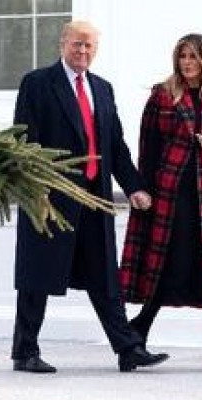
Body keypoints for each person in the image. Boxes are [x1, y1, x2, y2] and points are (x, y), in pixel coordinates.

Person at [11, 20, 169, 373]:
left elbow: (114, 146)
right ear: (62, 44)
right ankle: (25, 352)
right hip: (50, 198)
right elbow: (23, 141)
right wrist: (36, 190)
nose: (83, 51)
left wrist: (135, 187)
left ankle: (128, 349)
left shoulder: (103, 88)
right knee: (38, 276)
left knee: (104, 275)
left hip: (95, 199)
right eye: (77, 44)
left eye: (89, 46)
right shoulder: (37, 84)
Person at [119, 33, 202, 372]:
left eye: (193, 56)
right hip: (173, 195)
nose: (187, 62)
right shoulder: (163, 95)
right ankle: (139, 327)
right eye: (182, 56)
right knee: (172, 265)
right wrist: (143, 191)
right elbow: (149, 147)